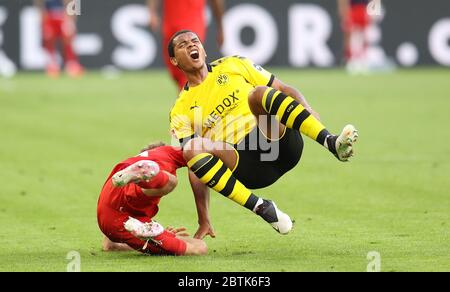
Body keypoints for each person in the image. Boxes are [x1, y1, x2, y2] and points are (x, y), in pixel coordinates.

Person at [168, 30, 359, 238]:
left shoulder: (232, 64)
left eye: (194, 41)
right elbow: (195, 166)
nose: (190, 45)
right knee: (192, 147)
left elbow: (282, 88)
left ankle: (331, 143)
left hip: (278, 142)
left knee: (257, 94)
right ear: (174, 60)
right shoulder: (180, 110)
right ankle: (261, 207)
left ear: (203, 49)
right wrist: (203, 219)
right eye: (182, 45)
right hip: (247, 166)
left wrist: (308, 109)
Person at [97, 142, 208, 256]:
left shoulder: (130, 165)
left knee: (159, 186)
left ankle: (149, 230)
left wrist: (167, 235)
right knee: (200, 247)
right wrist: (204, 220)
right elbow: (200, 158)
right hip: (123, 220)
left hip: (108, 209)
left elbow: (109, 245)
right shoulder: (168, 153)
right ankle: (152, 232)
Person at [147, 0, 224, 90]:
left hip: (192, 27)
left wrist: (220, 27)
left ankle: (195, 101)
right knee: (177, 74)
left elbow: (216, 2)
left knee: (190, 72)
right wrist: (152, 12)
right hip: (170, 29)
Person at [34, 0, 84, 78]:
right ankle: (52, 65)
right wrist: (41, 14)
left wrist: (72, 19)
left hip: (64, 14)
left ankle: (72, 63)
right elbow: (38, 2)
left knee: (68, 38)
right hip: (49, 15)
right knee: (49, 40)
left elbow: (74, 1)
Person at [337, 0, 371, 73]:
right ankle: (351, 60)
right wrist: (343, 12)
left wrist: (373, 12)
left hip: (364, 9)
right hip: (352, 9)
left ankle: (363, 61)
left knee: (363, 36)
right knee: (351, 36)